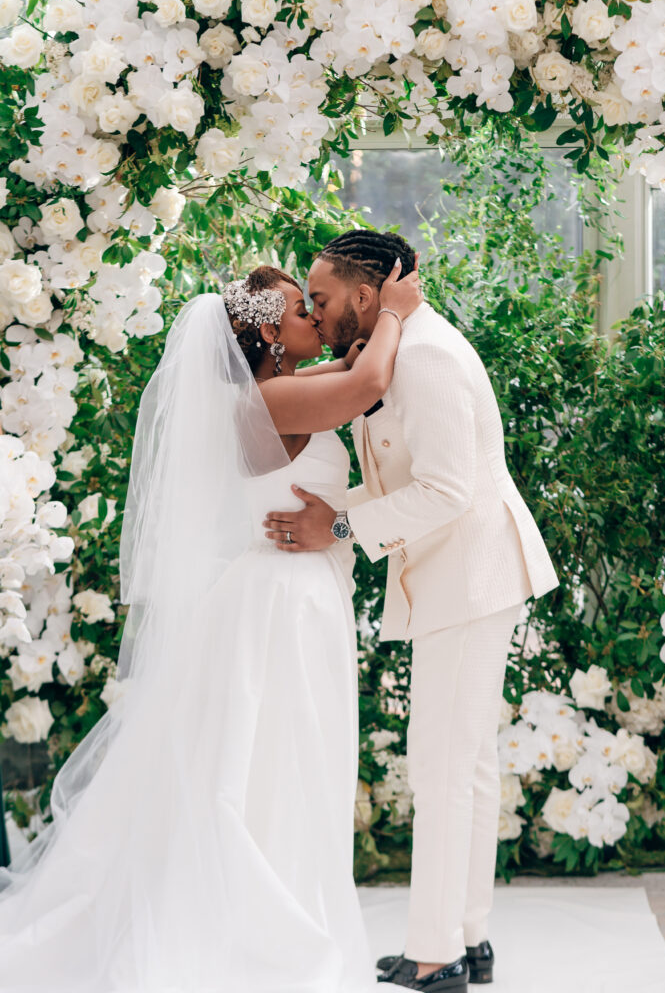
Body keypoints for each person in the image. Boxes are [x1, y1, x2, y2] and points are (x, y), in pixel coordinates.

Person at [0, 259, 422, 991]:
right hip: (278, 608)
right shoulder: (263, 403)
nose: (316, 321)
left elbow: (345, 375)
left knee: (271, 764)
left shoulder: (271, 390)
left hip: (278, 597)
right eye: (301, 310)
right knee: (277, 766)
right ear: (265, 331)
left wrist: (357, 344)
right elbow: (366, 385)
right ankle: (262, 935)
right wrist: (394, 311)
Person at [263, 229, 561, 992]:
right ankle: (469, 936)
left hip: (469, 579)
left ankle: (437, 958)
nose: (317, 311)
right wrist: (340, 510)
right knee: (469, 765)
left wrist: (334, 526)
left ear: (366, 296)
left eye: (322, 298)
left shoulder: (424, 356)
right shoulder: (398, 347)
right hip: (464, 574)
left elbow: (445, 490)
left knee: (441, 767)